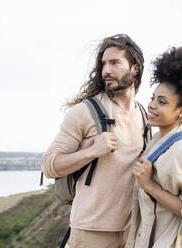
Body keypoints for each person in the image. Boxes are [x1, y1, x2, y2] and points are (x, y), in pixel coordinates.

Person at [41, 33, 146, 248]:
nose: (106, 70)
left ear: (134, 68)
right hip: (91, 231)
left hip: (133, 231)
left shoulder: (144, 114)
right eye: (103, 64)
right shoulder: (84, 112)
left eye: (115, 62)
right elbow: (49, 166)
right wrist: (92, 151)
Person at [126, 45, 182, 248]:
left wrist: (149, 186)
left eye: (162, 102)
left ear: (181, 111)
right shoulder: (158, 140)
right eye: (153, 98)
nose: (152, 105)